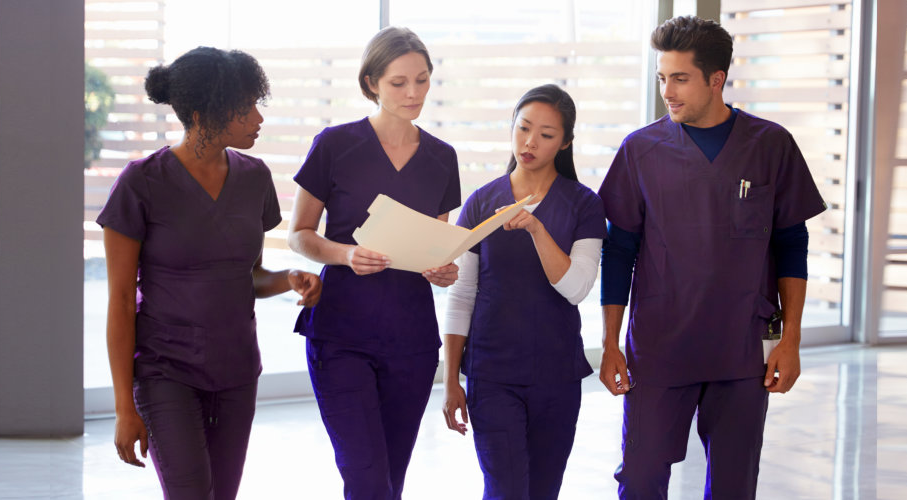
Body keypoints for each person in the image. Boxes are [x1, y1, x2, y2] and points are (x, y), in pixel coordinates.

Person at [597, 16, 827, 500]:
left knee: (733, 485)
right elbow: (619, 252)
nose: (668, 91)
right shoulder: (641, 151)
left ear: (715, 79)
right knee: (639, 480)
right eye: (663, 78)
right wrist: (610, 342)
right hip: (660, 346)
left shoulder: (771, 146)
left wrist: (792, 340)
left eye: (680, 78)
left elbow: (791, 244)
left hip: (742, 349)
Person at [97, 46, 323, 500]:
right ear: (204, 114)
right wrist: (124, 405)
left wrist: (287, 279)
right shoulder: (141, 183)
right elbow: (121, 301)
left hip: (237, 371)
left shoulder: (255, 179)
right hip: (166, 371)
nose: (258, 118)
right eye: (245, 108)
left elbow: (249, 277)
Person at [286, 27, 462, 500]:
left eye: (422, 81)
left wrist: (443, 269)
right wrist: (345, 254)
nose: (413, 93)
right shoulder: (334, 145)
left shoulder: (443, 159)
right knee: (365, 479)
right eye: (399, 82)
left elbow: (433, 246)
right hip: (341, 333)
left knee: (391, 481)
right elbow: (298, 234)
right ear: (371, 83)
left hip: (412, 339)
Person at [440, 84, 605, 500]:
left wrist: (535, 227)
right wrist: (450, 380)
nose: (530, 142)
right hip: (492, 375)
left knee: (543, 491)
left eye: (546, 135)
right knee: (506, 490)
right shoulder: (480, 203)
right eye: (523, 128)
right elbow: (461, 296)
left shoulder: (584, 205)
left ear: (565, 142)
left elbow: (576, 288)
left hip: (557, 377)